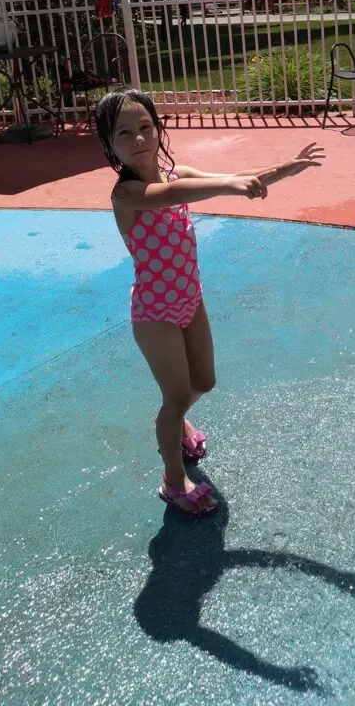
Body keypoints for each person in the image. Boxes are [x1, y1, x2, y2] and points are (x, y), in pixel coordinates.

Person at [95, 88, 325, 517]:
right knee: (176, 395)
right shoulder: (126, 195)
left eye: (146, 127)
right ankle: (172, 478)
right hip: (154, 313)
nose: (139, 139)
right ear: (109, 144)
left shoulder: (175, 172)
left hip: (189, 300)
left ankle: (177, 422)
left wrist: (282, 170)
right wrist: (232, 186)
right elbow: (185, 193)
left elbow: (230, 176)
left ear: (159, 128)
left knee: (204, 383)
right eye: (125, 133)